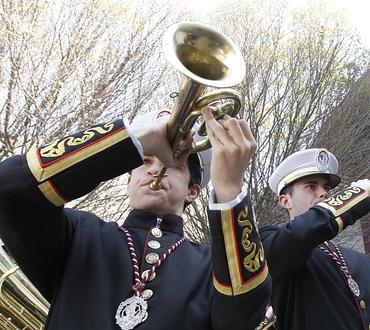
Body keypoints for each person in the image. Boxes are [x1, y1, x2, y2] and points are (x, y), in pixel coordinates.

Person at [0, 108, 270, 329]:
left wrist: (230, 191)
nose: (157, 170)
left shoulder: (212, 267)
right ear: (129, 180)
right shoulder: (80, 233)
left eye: (174, 166)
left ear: (193, 191)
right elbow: (10, 189)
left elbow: (243, 313)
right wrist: (131, 139)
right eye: (145, 161)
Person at [260, 148, 370, 330]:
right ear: (285, 201)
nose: (324, 193)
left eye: (326, 188)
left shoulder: (361, 261)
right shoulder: (268, 241)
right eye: (311, 186)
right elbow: (301, 234)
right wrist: (354, 196)